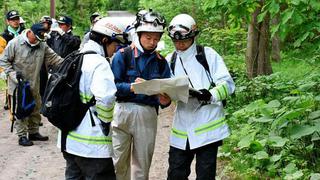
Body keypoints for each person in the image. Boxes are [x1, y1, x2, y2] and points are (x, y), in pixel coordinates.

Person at [58, 17, 130, 179]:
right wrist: (105, 123)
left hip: (68, 141)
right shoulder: (99, 63)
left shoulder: (75, 56)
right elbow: (106, 98)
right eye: (115, 44)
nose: (115, 49)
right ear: (105, 40)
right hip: (92, 146)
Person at [165, 14, 235, 179]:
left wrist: (210, 94)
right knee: (175, 173)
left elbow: (228, 84)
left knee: (205, 175)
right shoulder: (170, 59)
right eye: (176, 41)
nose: (179, 45)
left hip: (208, 126)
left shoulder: (208, 55)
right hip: (182, 127)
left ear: (193, 36)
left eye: (183, 41)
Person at [111, 9, 171, 180]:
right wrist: (131, 87)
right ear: (138, 34)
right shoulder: (122, 56)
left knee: (142, 165)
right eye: (148, 37)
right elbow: (112, 87)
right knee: (117, 162)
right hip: (122, 111)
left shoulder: (161, 62)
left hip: (147, 113)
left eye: (156, 39)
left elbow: (167, 94)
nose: (153, 42)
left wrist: (165, 100)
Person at [0, 23, 63, 146]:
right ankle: (22, 136)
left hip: (34, 82)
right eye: (36, 38)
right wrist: (12, 75)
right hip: (19, 85)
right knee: (22, 109)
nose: (38, 42)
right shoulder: (15, 43)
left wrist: (70, 63)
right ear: (30, 33)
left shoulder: (42, 45)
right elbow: (3, 60)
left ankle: (33, 132)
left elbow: (55, 59)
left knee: (35, 107)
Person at [0, 10, 25, 111]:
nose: (15, 21)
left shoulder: (25, 33)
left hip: (25, 66)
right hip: (10, 68)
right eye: (12, 20)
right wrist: (2, 70)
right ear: (8, 21)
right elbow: (1, 55)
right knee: (12, 92)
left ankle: (28, 114)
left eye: (17, 19)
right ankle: (13, 115)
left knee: (27, 90)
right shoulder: (3, 37)